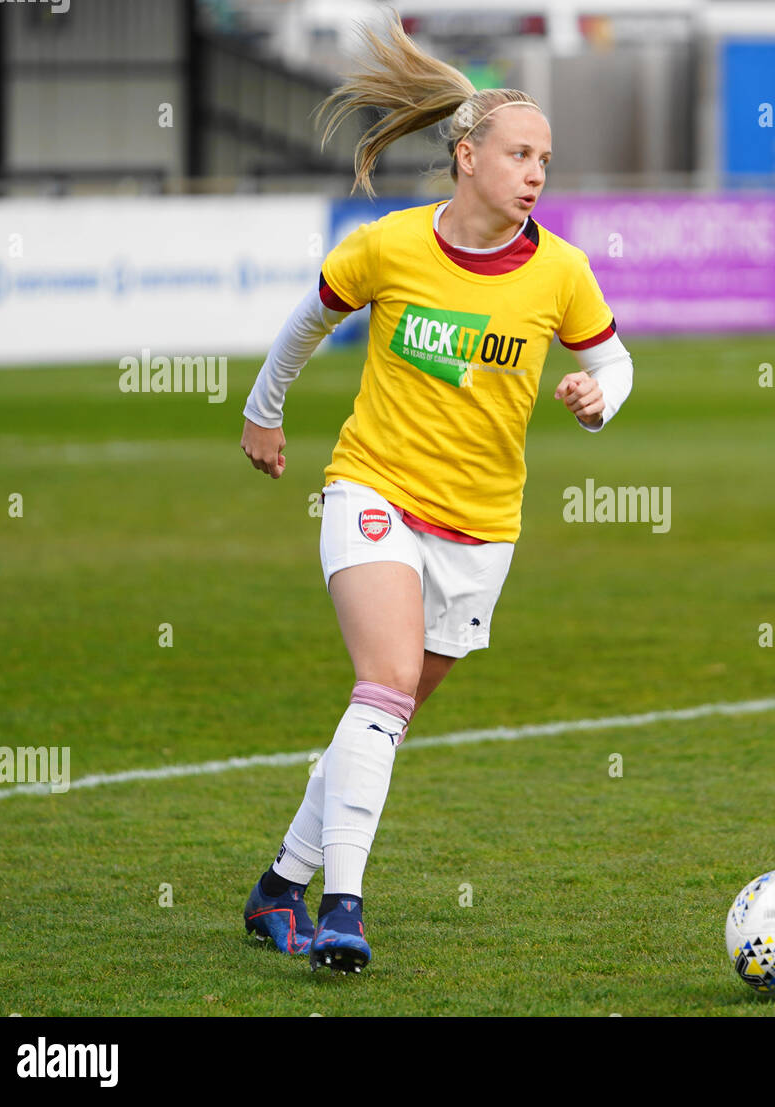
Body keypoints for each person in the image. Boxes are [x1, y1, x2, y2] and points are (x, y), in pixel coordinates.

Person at [237, 19, 633, 973]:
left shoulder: (561, 270)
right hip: (372, 487)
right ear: (467, 157)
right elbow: (307, 322)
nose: (537, 172)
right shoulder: (392, 246)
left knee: (386, 713)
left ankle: (278, 888)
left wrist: (595, 400)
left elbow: (612, 362)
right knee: (381, 687)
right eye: (519, 154)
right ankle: (343, 906)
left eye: (546, 158)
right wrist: (264, 412)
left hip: (482, 529)